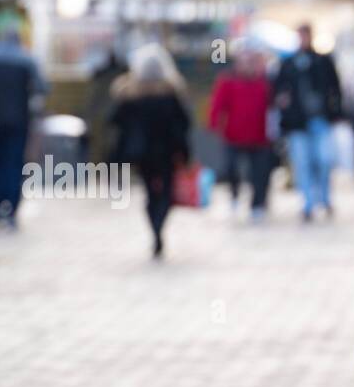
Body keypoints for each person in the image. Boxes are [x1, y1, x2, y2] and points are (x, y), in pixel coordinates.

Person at [108, 43, 191, 259]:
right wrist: (184, 152)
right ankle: (158, 227)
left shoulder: (129, 95)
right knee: (165, 192)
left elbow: (115, 123)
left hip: (141, 152)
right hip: (167, 152)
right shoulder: (171, 94)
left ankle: (155, 228)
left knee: (149, 193)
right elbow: (183, 124)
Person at [0, 20, 47, 229]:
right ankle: (10, 207)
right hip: (19, 120)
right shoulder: (26, 59)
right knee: (14, 163)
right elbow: (42, 87)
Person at [273, 24, 342, 221]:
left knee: (324, 160)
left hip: (320, 120)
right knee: (302, 164)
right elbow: (278, 90)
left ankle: (325, 198)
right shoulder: (288, 63)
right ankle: (308, 203)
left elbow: (335, 88)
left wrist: (335, 112)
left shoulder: (323, 61)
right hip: (297, 123)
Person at [208, 45, 273, 220]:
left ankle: (257, 204)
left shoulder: (265, 82)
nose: (248, 66)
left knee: (259, 173)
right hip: (233, 135)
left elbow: (273, 106)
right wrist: (214, 124)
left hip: (260, 137)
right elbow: (217, 104)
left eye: (251, 62)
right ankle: (235, 195)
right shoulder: (227, 81)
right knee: (231, 169)